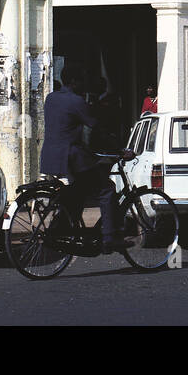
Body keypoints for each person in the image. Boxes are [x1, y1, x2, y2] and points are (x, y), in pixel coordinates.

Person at [39, 68, 125, 250]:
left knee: (79, 190)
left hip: (51, 156)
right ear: (73, 82)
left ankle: (64, 226)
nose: (85, 85)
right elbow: (96, 127)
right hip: (71, 156)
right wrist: (120, 149)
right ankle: (109, 238)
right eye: (81, 81)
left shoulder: (51, 98)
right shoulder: (76, 101)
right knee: (106, 189)